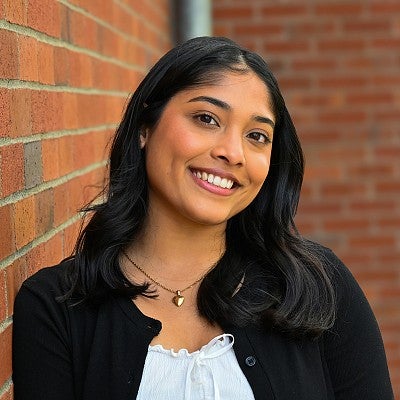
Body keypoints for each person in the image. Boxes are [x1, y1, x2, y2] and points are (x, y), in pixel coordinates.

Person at [12, 36, 394, 400]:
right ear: (146, 126)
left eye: (257, 136)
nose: (233, 152)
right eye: (207, 119)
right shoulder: (55, 307)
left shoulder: (318, 286)